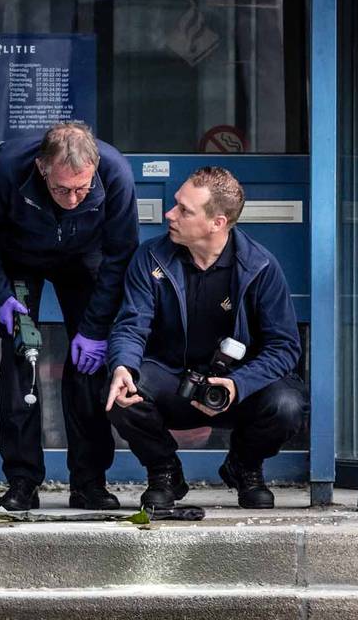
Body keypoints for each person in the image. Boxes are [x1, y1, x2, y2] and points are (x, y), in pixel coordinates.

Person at [0, 121, 139, 511]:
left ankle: (89, 482)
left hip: (84, 259)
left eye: (82, 189)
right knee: (21, 361)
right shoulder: (8, 168)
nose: (73, 199)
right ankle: (23, 481)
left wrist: (94, 329)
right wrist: (0, 294)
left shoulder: (116, 173)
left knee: (88, 369)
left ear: (94, 169)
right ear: (42, 168)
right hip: (19, 258)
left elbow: (121, 252)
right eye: (61, 189)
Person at [105, 167, 305, 509]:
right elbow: (131, 325)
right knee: (122, 390)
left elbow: (285, 347)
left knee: (288, 404)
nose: (170, 214)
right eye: (175, 205)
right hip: (171, 380)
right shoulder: (151, 258)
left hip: (235, 389)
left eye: (184, 210)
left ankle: (245, 466)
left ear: (218, 223)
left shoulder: (260, 267)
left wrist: (239, 384)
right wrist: (122, 365)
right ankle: (164, 472)